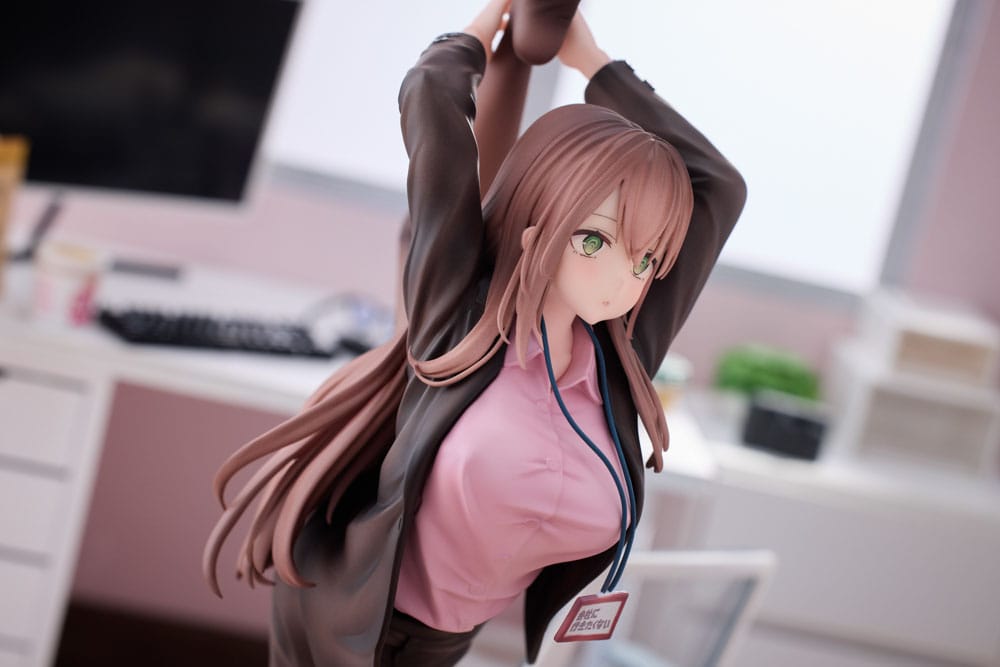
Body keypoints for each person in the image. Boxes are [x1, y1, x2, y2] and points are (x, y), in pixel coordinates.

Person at [204, 1, 746, 665]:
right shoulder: (458, 318)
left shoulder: (620, 356)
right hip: (350, 623)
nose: (623, 280)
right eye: (595, 240)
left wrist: (596, 66)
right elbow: (431, 95)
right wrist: (486, 26)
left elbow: (719, 187)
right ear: (540, 222)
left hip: (446, 644)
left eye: (646, 260)